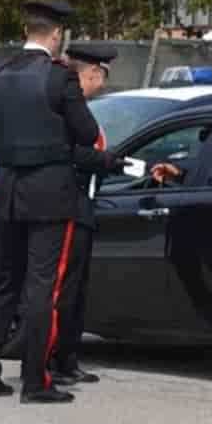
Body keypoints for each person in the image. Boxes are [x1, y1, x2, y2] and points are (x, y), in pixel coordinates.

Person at [0, 0, 104, 404]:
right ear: (56, 35)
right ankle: (36, 381)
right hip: (51, 191)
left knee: (3, 284)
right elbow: (86, 133)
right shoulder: (58, 78)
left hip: (8, 187)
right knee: (42, 287)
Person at [47, 42, 125, 385]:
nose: (102, 83)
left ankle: (68, 359)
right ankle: (51, 360)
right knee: (62, 290)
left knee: (77, 291)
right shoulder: (68, 108)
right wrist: (112, 162)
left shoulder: (83, 108)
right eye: (101, 75)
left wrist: (137, 167)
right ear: (93, 72)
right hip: (68, 206)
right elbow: (77, 154)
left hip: (84, 207)